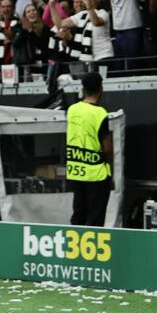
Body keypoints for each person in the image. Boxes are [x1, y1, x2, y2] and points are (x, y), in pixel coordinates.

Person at [65, 72, 113, 226]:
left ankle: (73, 248)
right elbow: (107, 147)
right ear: (101, 88)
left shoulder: (72, 110)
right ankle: (92, 248)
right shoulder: (100, 113)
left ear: (83, 89)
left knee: (78, 213)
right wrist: (110, 170)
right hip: (96, 174)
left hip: (76, 170)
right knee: (95, 217)